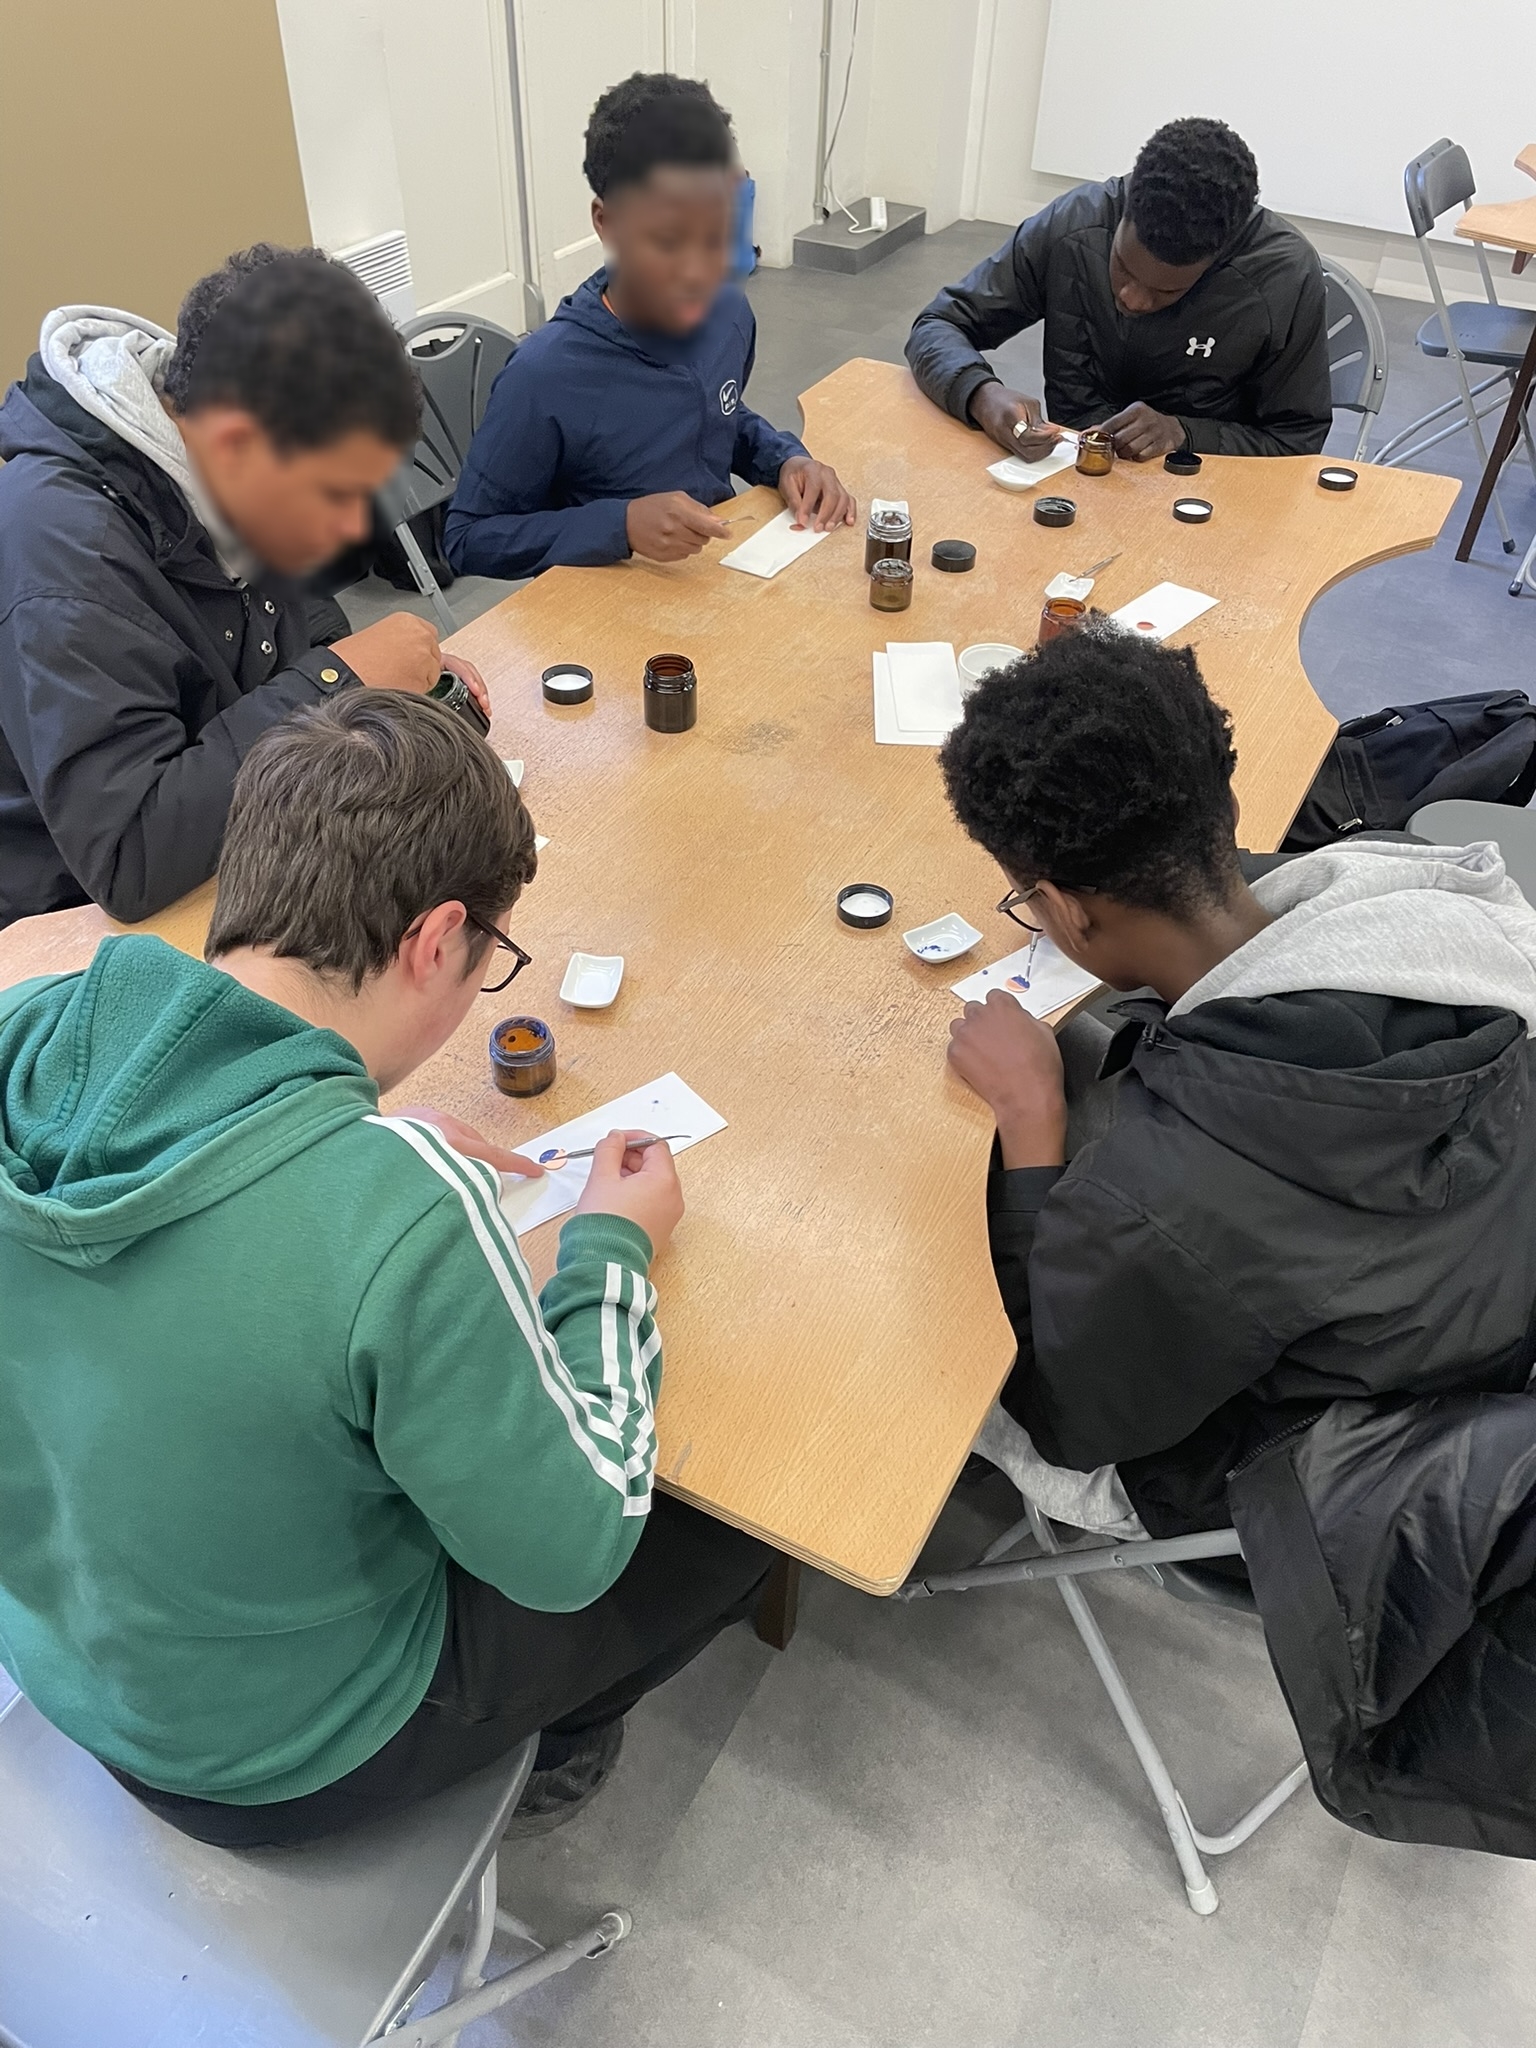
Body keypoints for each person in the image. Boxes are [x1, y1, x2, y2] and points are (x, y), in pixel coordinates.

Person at [0, 689, 768, 1846]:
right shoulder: (404, 1215)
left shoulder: (30, 1027)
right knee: (733, 1524)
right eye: (487, 961)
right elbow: (571, 1550)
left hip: (67, 1654)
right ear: (435, 939)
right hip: (275, 1754)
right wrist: (611, 1245)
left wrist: (324, 1132)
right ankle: (553, 1745)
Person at [939, 626, 1536, 1539]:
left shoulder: (1167, 1201)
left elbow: (1068, 1417)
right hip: (1461, 1343)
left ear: (1059, 909)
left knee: (919, 1309)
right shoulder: (1424, 901)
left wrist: (1029, 1116)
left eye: (1027, 905)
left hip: (1296, 1486)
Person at [0, 244, 490, 929]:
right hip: (69, 924)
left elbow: (308, 629)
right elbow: (129, 855)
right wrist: (338, 681)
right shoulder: (68, 555)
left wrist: (378, 685)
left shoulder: (229, 473)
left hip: (239, 844)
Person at [445, 71, 855, 581]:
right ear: (607, 222)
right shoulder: (542, 376)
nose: (698, 273)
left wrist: (784, 460)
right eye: (667, 241)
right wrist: (619, 526)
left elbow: (713, 417)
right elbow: (468, 538)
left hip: (711, 581)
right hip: (605, 605)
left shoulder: (730, 316)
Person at [906, 117, 1332, 463]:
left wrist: (1183, 433)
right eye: (1123, 267)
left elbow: (1296, 439)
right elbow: (939, 324)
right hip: (1074, 480)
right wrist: (981, 393)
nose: (1132, 298)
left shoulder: (1283, 278)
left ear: (1217, 259)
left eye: (1166, 293)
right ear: (1124, 209)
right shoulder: (1075, 225)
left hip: (1200, 495)